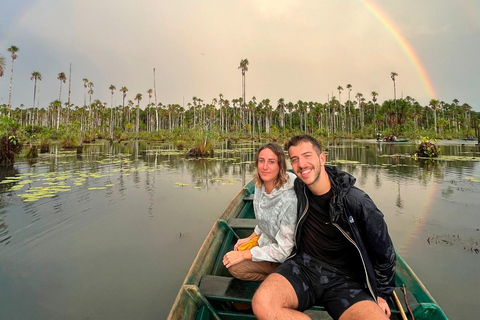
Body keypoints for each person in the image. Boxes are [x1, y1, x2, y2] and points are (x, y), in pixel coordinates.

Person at [252, 135, 396, 320]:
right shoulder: (298, 187)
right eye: (295, 159)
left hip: (346, 280)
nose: (301, 164)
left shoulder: (356, 202)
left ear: (322, 158)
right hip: (303, 267)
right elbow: (272, 181)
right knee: (263, 304)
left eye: (307, 156)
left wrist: (382, 294)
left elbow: (385, 252)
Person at [222, 143, 297, 281]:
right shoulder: (260, 185)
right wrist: (250, 238)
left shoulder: (289, 200)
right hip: (268, 242)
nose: (265, 167)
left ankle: (279, 280)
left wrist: (246, 255)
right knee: (236, 252)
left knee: (236, 267)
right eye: (261, 161)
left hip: (287, 257)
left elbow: (285, 250)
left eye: (271, 162)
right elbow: (265, 220)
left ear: (280, 165)